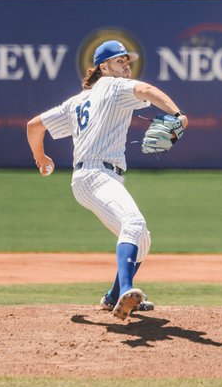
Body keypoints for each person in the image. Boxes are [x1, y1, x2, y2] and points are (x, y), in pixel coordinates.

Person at [26, 38, 187, 322]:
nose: (126, 65)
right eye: (120, 61)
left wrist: (41, 159)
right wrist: (178, 115)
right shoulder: (113, 86)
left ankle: (113, 296)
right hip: (97, 175)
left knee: (142, 239)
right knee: (134, 223)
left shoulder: (76, 101)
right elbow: (146, 89)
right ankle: (127, 290)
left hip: (87, 178)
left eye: (128, 61)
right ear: (104, 66)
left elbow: (34, 126)